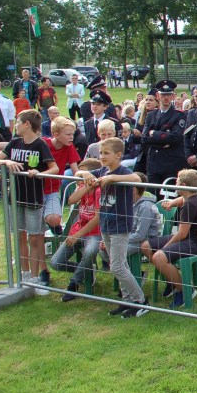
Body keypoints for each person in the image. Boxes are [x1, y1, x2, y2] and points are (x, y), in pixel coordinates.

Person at [0, 110, 58, 293]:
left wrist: (39, 173)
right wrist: (6, 162)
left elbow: (54, 168)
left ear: (27, 124)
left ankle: (35, 279)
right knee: (19, 235)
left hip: (33, 198)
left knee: (34, 237)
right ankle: (24, 275)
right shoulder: (14, 142)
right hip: (15, 197)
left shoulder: (40, 144)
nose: (16, 125)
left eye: (18, 122)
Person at [76, 137, 146, 317]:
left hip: (120, 226)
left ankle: (140, 300)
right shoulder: (101, 170)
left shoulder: (122, 171)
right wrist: (85, 174)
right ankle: (127, 300)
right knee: (121, 264)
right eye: (100, 153)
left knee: (116, 266)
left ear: (118, 155)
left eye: (106, 153)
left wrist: (112, 178)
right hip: (106, 224)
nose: (102, 156)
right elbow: (77, 173)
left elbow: (137, 178)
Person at [146, 169, 197, 309]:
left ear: (183, 185)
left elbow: (182, 234)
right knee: (146, 246)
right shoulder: (194, 196)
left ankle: (185, 291)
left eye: (176, 182)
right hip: (188, 238)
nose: (175, 184)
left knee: (158, 256)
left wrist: (165, 247)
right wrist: (171, 203)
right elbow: (181, 199)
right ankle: (172, 281)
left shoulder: (190, 205)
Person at [50, 158, 103, 301]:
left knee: (90, 251)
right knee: (55, 263)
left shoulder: (100, 191)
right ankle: (87, 270)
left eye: (83, 174)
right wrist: (85, 185)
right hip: (78, 229)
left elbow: (97, 219)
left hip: (95, 232)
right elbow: (71, 200)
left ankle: (73, 284)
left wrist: (77, 235)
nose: (79, 179)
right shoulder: (82, 187)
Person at [42, 117, 81, 255]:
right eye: (68, 134)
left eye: (72, 134)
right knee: (34, 228)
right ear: (56, 134)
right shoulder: (43, 144)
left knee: (54, 218)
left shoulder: (69, 147)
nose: (71, 137)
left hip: (52, 189)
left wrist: (81, 185)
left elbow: (76, 170)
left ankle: (53, 225)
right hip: (34, 189)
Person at [142, 80, 186, 190]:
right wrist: (164, 140)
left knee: (169, 196)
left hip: (171, 163)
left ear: (173, 96)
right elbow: (145, 138)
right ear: (158, 96)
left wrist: (154, 134)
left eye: (169, 95)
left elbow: (175, 137)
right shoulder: (151, 115)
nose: (166, 98)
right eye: (163, 95)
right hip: (154, 163)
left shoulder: (179, 115)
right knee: (152, 195)